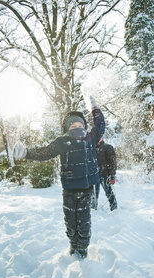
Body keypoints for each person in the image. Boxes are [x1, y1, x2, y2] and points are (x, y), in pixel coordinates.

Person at [13, 96, 105, 260]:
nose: (77, 128)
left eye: (79, 125)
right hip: (69, 189)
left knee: (83, 222)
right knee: (70, 221)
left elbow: (100, 126)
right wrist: (26, 152)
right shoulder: (63, 141)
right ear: (67, 128)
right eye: (73, 125)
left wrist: (95, 109)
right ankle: (73, 244)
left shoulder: (91, 138)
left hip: (86, 189)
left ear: (84, 125)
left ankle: (82, 250)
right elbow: (45, 153)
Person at [91, 137, 117, 211]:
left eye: (100, 137)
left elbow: (112, 161)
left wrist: (112, 174)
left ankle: (114, 207)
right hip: (94, 175)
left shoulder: (108, 147)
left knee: (109, 192)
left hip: (105, 174)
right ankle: (93, 208)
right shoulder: (91, 148)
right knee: (94, 193)